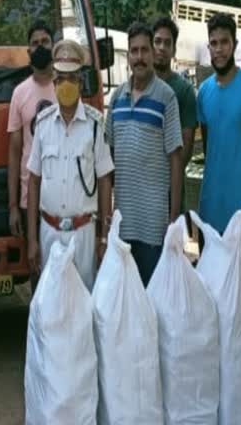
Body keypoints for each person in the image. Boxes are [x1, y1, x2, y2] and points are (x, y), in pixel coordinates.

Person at [26, 40, 114, 291]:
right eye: (61, 78)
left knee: (84, 309)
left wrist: (104, 237)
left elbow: (105, 181)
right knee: (52, 308)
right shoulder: (42, 125)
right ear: (53, 83)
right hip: (49, 233)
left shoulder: (95, 125)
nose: (66, 84)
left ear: (80, 82)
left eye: (72, 78)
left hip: (84, 234)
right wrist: (32, 240)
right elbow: (33, 182)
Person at [105, 22, 183, 287]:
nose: (139, 57)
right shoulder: (116, 98)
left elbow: (175, 159)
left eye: (144, 50)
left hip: (153, 224)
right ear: (128, 56)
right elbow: (108, 159)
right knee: (126, 298)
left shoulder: (166, 97)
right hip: (123, 222)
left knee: (152, 297)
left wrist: (173, 219)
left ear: (153, 54)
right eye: (134, 51)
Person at [197, 13, 241, 267]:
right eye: (213, 43)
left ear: (234, 44)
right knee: (209, 288)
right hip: (210, 208)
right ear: (209, 48)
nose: (219, 49)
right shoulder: (203, 92)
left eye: (224, 42)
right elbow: (208, 145)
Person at [7, 20, 56, 238]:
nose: (41, 46)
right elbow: (15, 153)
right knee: (35, 266)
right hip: (30, 199)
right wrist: (13, 206)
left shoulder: (67, 88)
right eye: (35, 43)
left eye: (45, 41)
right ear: (28, 51)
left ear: (54, 45)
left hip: (62, 197)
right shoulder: (19, 93)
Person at [152, 16, 198, 211]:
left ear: (174, 50)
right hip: (144, 186)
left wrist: (171, 177)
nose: (162, 47)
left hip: (171, 188)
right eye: (157, 41)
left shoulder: (184, 90)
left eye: (167, 43)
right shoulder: (138, 87)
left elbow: (186, 147)